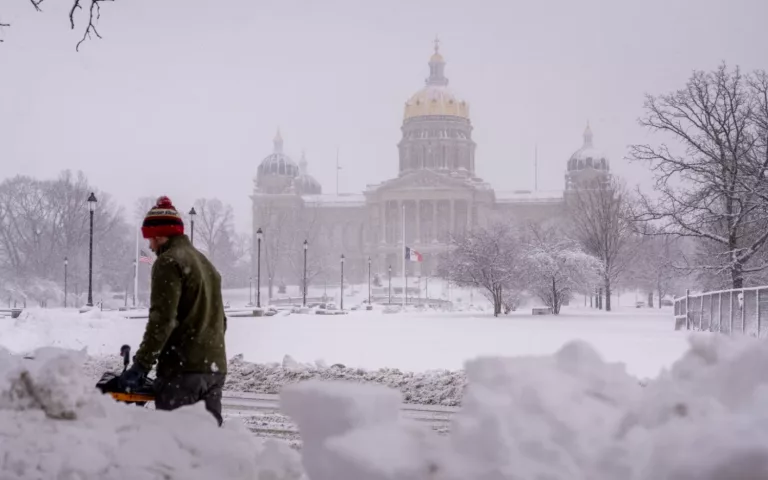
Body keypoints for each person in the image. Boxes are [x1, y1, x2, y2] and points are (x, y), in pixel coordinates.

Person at [119, 196, 228, 425]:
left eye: (150, 239)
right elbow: (222, 321)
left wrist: (141, 366)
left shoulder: (168, 262)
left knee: (176, 451)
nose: (149, 246)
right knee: (207, 450)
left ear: (160, 235)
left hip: (182, 373)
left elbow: (162, 320)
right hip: (214, 370)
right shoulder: (205, 264)